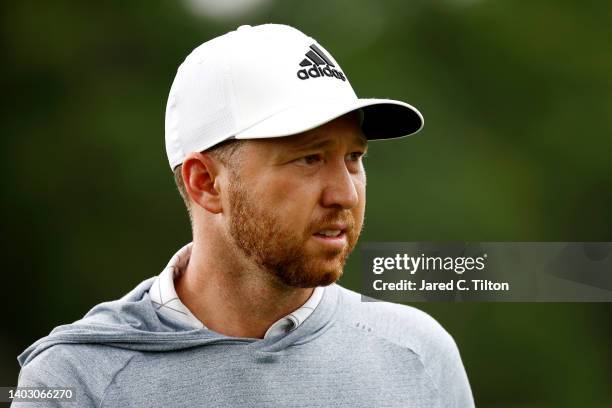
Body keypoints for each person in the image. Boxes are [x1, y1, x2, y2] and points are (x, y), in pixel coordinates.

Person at [14, 24, 474, 407]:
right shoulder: (78, 379)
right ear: (206, 183)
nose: (345, 194)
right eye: (310, 159)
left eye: (354, 158)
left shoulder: (418, 353)